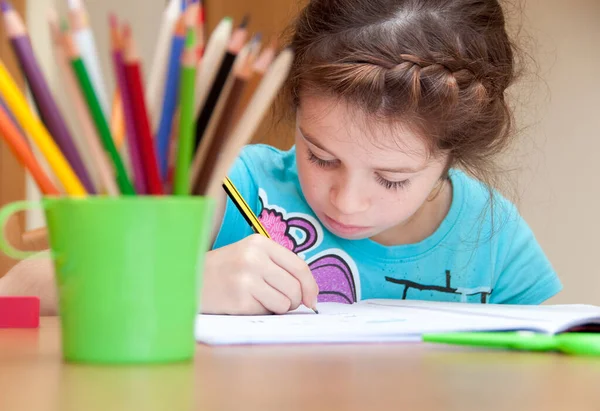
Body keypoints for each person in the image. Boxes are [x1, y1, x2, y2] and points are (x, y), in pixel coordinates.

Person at [0, 0, 561, 316]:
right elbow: (18, 291)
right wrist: (185, 282)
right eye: (320, 157)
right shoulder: (229, 186)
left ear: (451, 154)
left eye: (391, 181)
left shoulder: (493, 237)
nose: (346, 200)